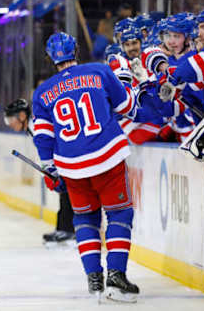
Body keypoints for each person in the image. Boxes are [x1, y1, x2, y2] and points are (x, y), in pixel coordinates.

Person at [32, 32, 139, 302]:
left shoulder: (42, 92)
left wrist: (50, 168)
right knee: (119, 214)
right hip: (107, 157)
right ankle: (116, 275)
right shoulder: (100, 71)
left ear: (50, 59)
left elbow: (43, 137)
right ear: (76, 50)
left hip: (71, 166)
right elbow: (126, 105)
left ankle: (94, 280)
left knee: (84, 219)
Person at [3, 98, 75, 245]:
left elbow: (53, 147)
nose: (9, 123)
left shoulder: (36, 126)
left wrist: (54, 170)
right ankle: (63, 228)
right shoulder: (31, 126)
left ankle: (69, 230)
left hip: (68, 157)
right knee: (64, 193)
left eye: (11, 118)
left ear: (22, 116)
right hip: (63, 159)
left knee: (68, 192)